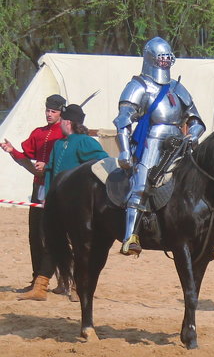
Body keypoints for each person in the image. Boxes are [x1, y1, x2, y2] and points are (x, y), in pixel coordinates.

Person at [113, 36, 205, 256]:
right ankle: (130, 236)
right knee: (142, 185)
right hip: (151, 141)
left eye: (167, 59)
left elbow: (196, 119)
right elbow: (123, 120)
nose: (164, 63)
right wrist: (125, 150)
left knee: (199, 184)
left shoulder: (177, 88)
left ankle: (207, 237)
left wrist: (192, 134)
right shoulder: (138, 85)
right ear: (151, 58)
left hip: (179, 142)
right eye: (161, 59)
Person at [0, 94, 66, 299]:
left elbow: (67, 161)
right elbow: (27, 157)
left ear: (61, 112)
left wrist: (49, 167)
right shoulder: (39, 133)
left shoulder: (64, 135)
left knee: (57, 236)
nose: (49, 114)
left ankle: (65, 281)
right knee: (35, 236)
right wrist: (12, 151)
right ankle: (37, 279)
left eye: (53, 111)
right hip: (38, 189)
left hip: (58, 189)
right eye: (47, 110)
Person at [44, 103, 108, 195]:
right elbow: (50, 171)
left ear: (67, 122)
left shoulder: (85, 141)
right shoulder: (58, 144)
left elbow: (104, 162)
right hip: (56, 198)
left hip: (77, 198)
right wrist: (48, 195)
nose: (60, 124)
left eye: (61, 120)